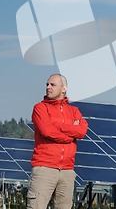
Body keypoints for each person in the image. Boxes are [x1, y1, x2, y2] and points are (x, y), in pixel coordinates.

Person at [27, 74, 88, 209]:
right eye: (47, 84)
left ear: (63, 89)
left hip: (67, 170)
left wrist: (58, 126)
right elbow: (47, 131)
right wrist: (70, 135)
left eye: (52, 85)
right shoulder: (40, 108)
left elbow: (82, 131)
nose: (48, 87)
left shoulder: (74, 111)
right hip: (44, 168)